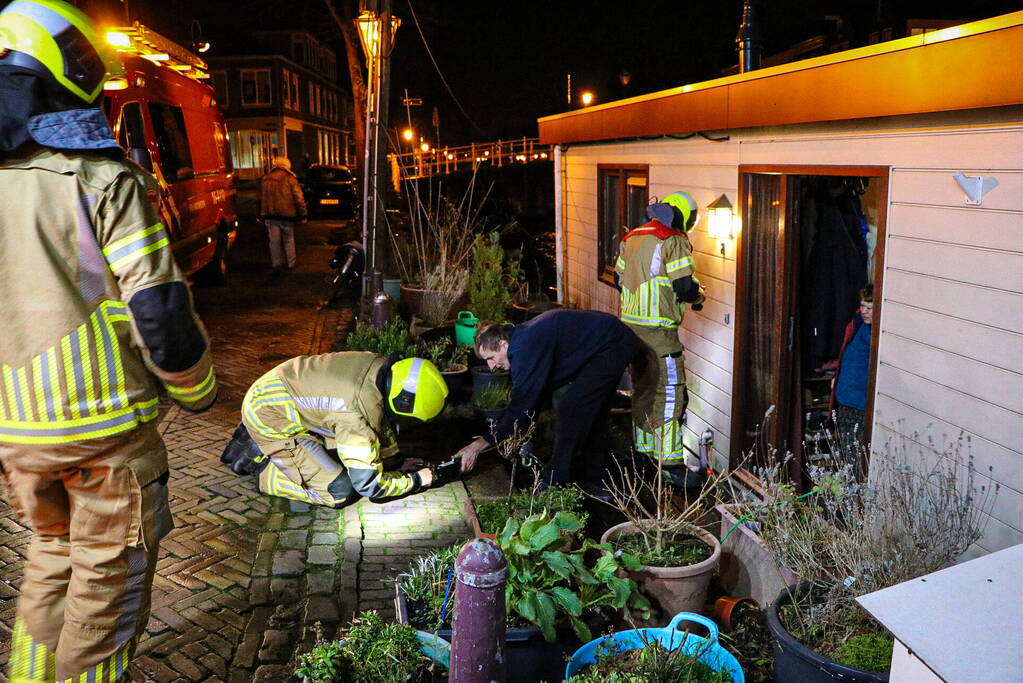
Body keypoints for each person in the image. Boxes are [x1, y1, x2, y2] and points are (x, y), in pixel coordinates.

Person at [0, 2, 218, 680]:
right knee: (105, 599)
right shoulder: (101, 179)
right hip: (104, 433)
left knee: (51, 563)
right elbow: (157, 308)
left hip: (18, 437)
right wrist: (198, 388)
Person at [455, 310, 642, 498]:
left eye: (491, 358)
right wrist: (524, 433)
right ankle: (596, 482)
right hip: (608, 342)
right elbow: (534, 396)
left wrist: (479, 444)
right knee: (590, 415)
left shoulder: (524, 348)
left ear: (503, 345)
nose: (491, 366)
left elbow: (522, 403)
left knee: (572, 409)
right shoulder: (520, 342)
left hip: (613, 345)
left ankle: (553, 484)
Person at [222, 353, 447, 507]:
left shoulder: (382, 368)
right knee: (340, 491)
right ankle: (266, 469)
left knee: (343, 459)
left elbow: (380, 424)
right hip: (269, 415)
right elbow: (369, 486)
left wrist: (396, 463)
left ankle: (258, 439)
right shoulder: (355, 415)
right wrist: (416, 480)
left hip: (277, 392)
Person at [615, 192, 705, 483]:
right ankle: (671, 466)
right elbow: (684, 286)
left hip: (631, 331)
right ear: (682, 215)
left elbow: (618, 279)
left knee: (643, 390)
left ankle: (643, 454)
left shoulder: (632, 238)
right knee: (669, 394)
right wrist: (699, 295)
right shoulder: (672, 240)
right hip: (660, 334)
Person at [830, 284, 873, 479]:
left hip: (862, 403)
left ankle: (854, 490)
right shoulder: (857, 323)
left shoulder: (878, 333)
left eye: (869, 307)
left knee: (858, 453)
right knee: (845, 450)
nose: (864, 311)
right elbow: (846, 353)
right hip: (845, 397)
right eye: (862, 306)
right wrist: (837, 377)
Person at [259, 155, 306, 276]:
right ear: (287, 166)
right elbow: (298, 198)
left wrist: (260, 214)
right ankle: (291, 263)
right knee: (288, 239)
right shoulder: (290, 178)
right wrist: (303, 214)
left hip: (270, 215)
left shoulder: (266, 178)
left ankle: (276, 264)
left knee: (274, 241)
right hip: (287, 215)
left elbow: (260, 198)